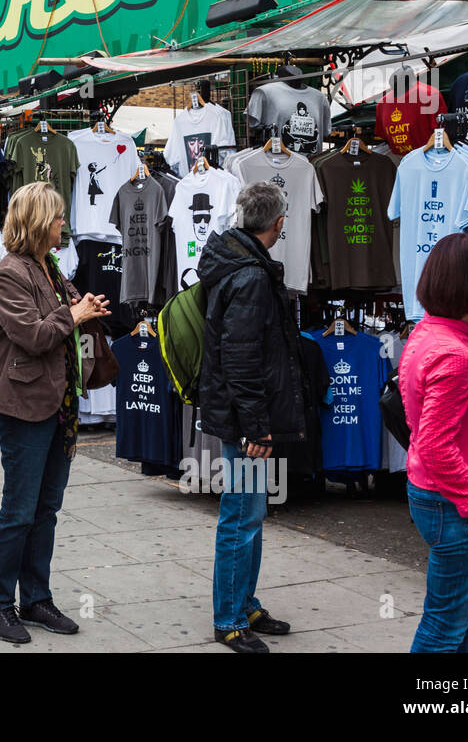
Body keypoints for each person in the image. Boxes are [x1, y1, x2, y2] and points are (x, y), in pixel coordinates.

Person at [0, 181, 109, 644]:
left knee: (46, 509)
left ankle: (35, 598)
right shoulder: (10, 273)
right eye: (56, 216)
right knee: (18, 510)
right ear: (37, 221)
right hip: (25, 407)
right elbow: (34, 336)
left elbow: (66, 315)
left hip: (60, 405)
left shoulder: (49, 267)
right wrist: (74, 316)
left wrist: (85, 307)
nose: (62, 224)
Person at [197, 181, 302, 653]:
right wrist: (256, 426)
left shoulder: (238, 263)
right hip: (245, 421)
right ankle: (230, 619)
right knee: (241, 516)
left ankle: (245, 603)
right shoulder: (250, 276)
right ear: (276, 223)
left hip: (241, 414)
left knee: (251, 514)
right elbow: (241, 358)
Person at [399, 232, 468, 653]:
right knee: (445, 629)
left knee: (466, 621)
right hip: (455, 503)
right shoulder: (454, 353)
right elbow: (434, 443)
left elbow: (446, 421)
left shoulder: (432, 335)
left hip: (442, 497)